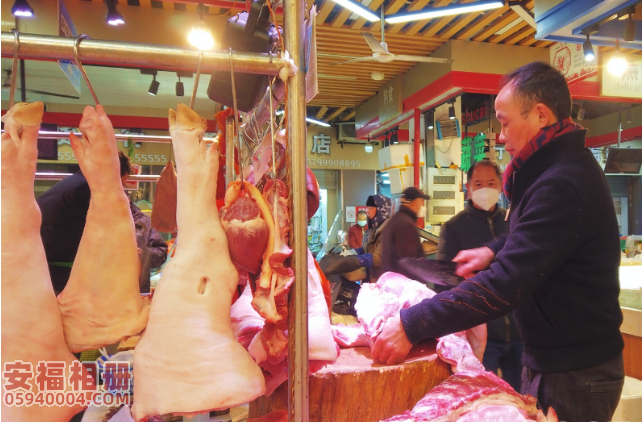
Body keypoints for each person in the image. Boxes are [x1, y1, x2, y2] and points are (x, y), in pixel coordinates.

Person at [372, 61, 624, 422]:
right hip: (554, 361)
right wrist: (492, 250)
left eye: (504, 123)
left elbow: (505, 285)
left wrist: (413, 323)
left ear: (540, 115)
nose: (501, 137)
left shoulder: (562, 182)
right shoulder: (552, 171)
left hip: (574, 372)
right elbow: (537, 240)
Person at [437, 160, 523, 391]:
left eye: (491, 183)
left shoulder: (513, 222)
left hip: (520, 333)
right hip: (481, 337)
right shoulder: (453, 227)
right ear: (468, 188)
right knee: (482, 398)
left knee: (522, 400)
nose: (485, 188)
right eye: (478, 184)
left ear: (500, 185)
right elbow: (443, 283)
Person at [38, 151, 167, 295]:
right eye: (121, 185)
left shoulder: (72, 184)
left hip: (47, 270)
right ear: (114, 173)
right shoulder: (89, 190)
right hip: (66, 275)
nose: (121, 191)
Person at [381, 187, 429, 275]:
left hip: (392, 278)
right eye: (421, 203)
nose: (422, 206)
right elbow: (409, 261)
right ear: (414, 203)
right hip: (402, 280)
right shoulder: (406, 225)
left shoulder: (396, 219)